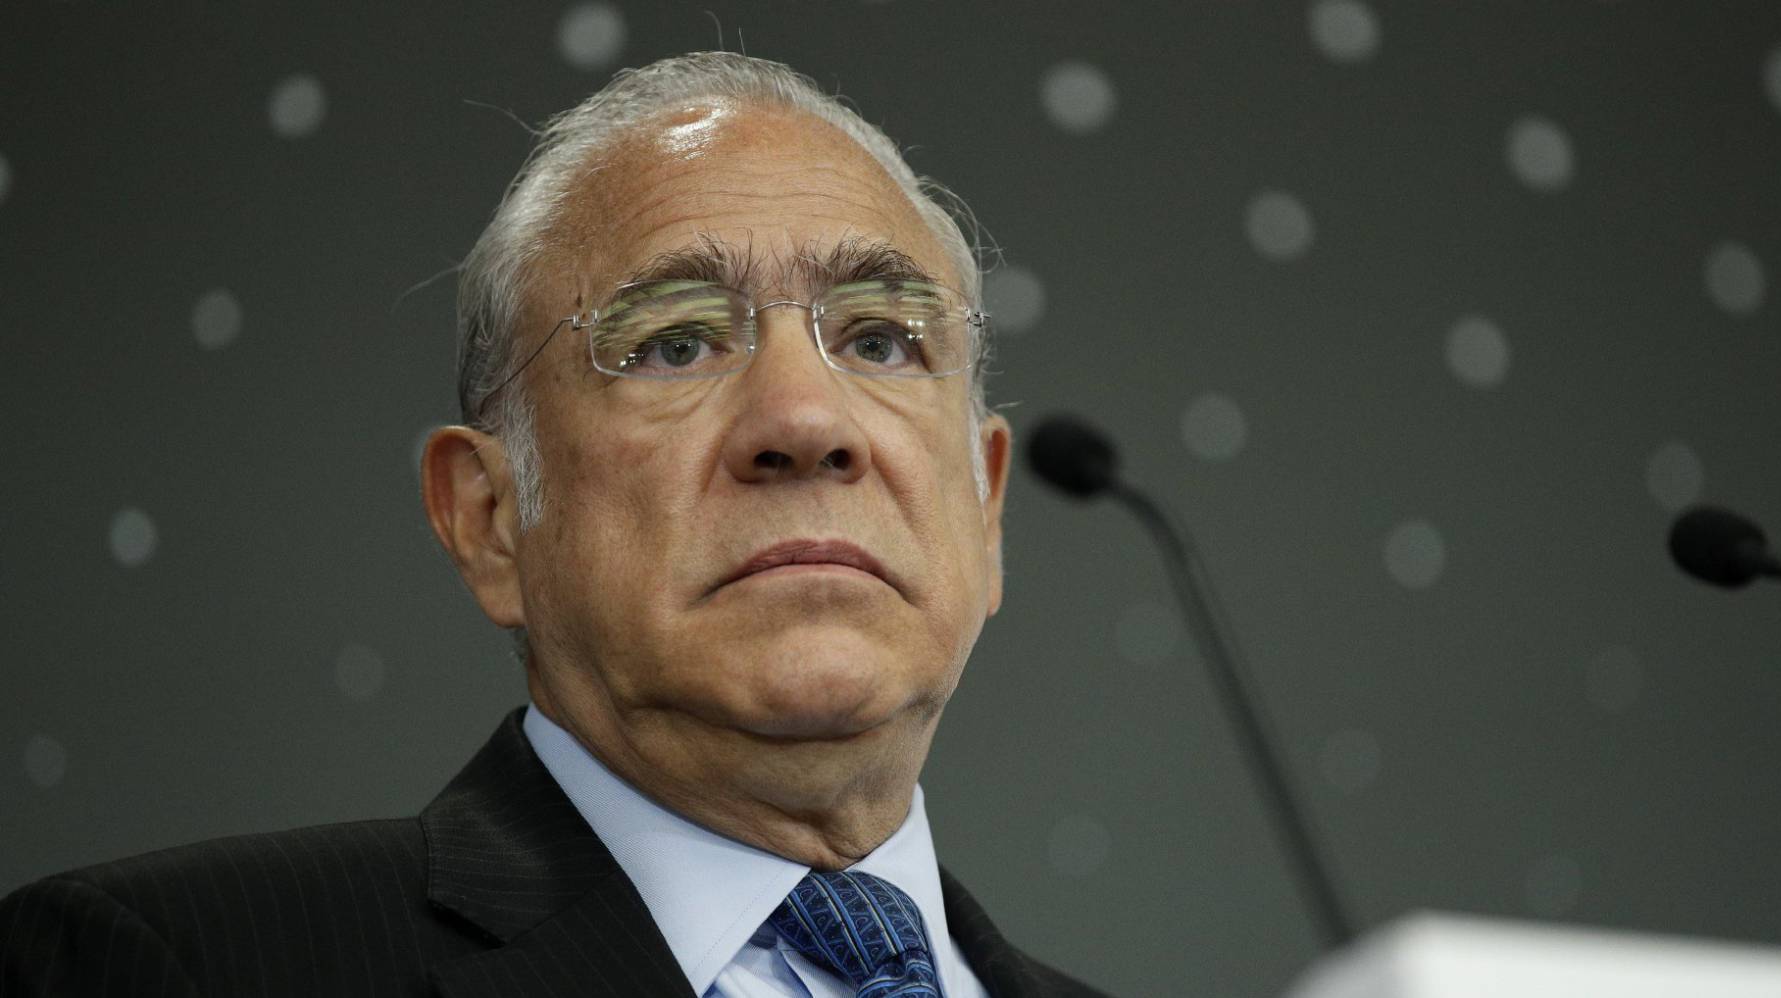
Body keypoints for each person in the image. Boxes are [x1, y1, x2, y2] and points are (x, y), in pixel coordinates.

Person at [1, 52, 1106, 997]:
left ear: (986, 505)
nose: (807, 422)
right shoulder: (168, 963)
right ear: (488, 519)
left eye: (879, 339)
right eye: (676, 343)